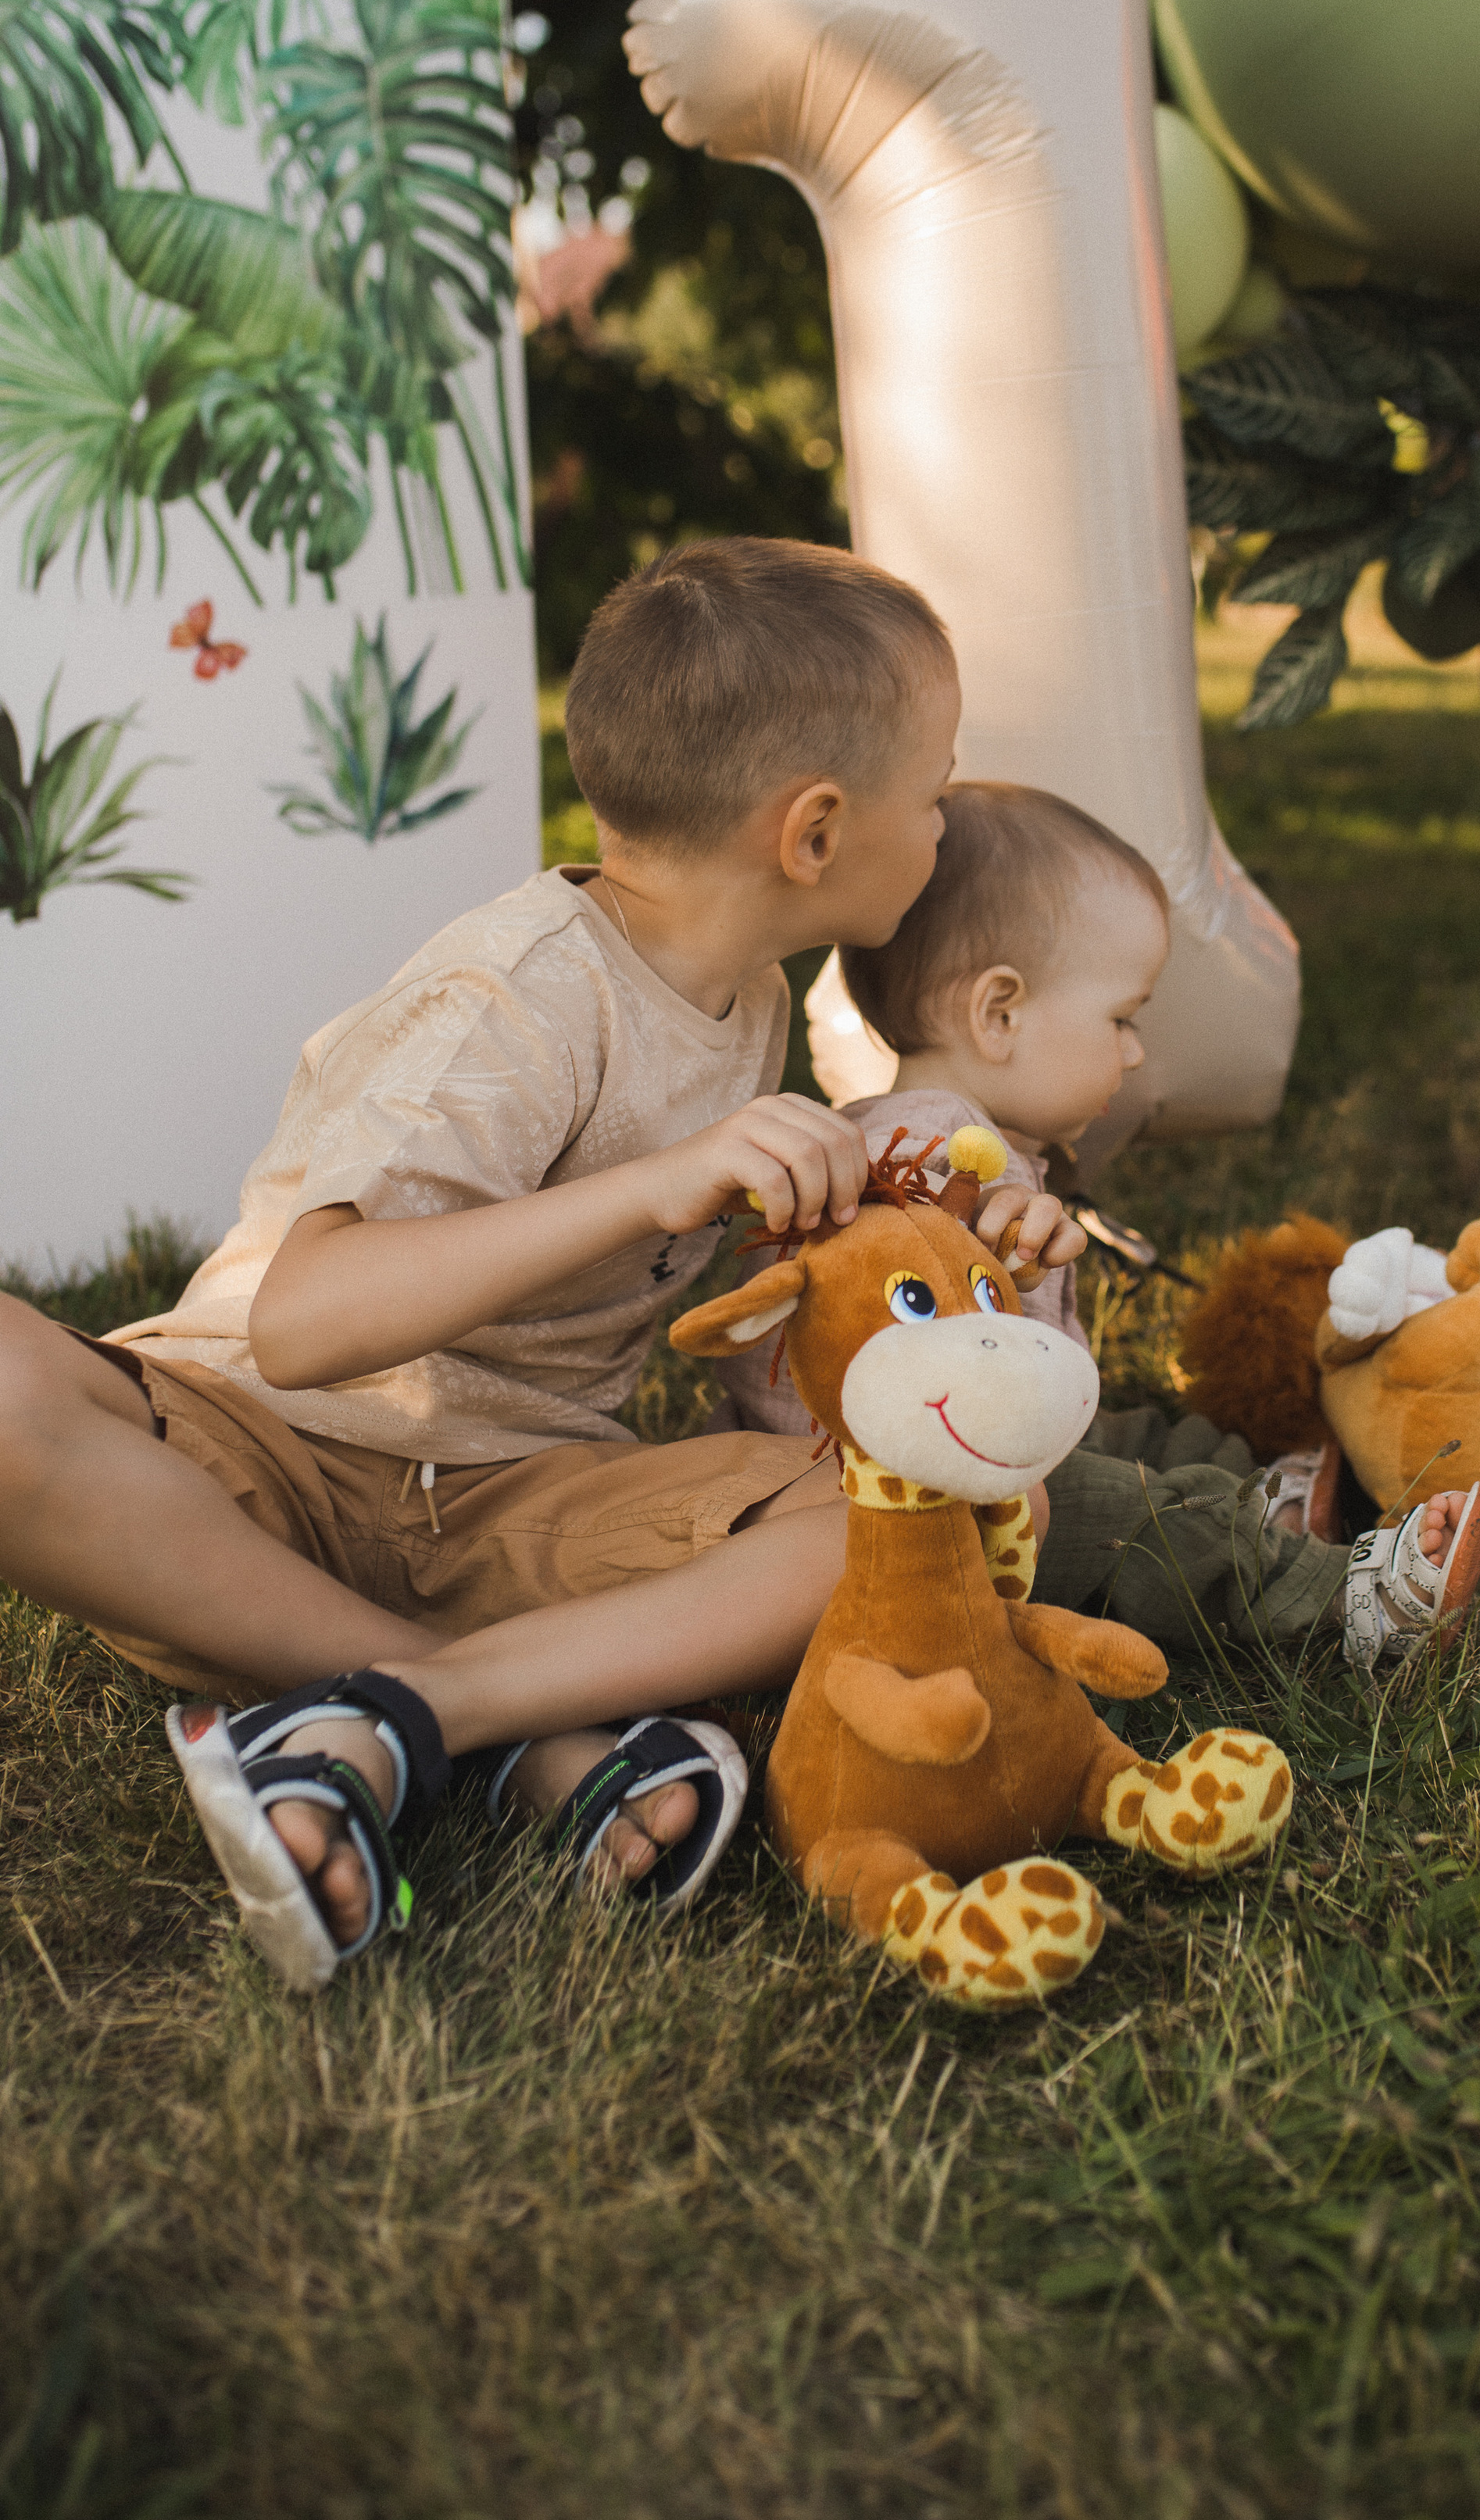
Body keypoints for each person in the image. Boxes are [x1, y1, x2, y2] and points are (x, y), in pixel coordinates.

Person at [0, 545, 1066, 1990]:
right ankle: (509, 1734)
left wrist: (891, 1196)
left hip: (524, 1504)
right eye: (934, 792)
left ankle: (405, 1717)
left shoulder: (744, 994)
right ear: (813, 832)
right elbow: (309, 1325)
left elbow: (778, 1280)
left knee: (927, 1500)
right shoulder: (517, 990)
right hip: (250, 1469)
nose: (943, 825)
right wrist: (649, 1189)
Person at [713, 777, 1480, 1673]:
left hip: (1001, 1451)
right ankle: (1346, 1601)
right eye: (1121, 1018)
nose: (1133, 1051)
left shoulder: (942, 1138)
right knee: (1121, 1514)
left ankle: (1272, 1486)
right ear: (998, 1013)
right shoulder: (925, 1160)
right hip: (923, 1502)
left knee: (1134, 1436)